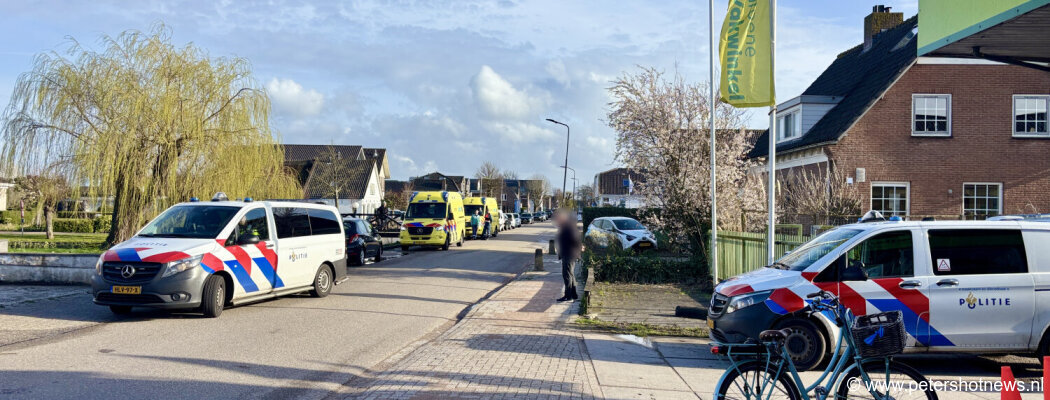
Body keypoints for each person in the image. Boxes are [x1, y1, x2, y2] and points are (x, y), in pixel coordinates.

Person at [555, 209, 581, 302]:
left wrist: (576, 249)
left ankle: (568, 295)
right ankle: (573, 294)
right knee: (570, 274)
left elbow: (575, 240)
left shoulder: (569, 227)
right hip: (569, 253)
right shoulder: (567, 226)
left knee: (567, 275)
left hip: (569, 254)